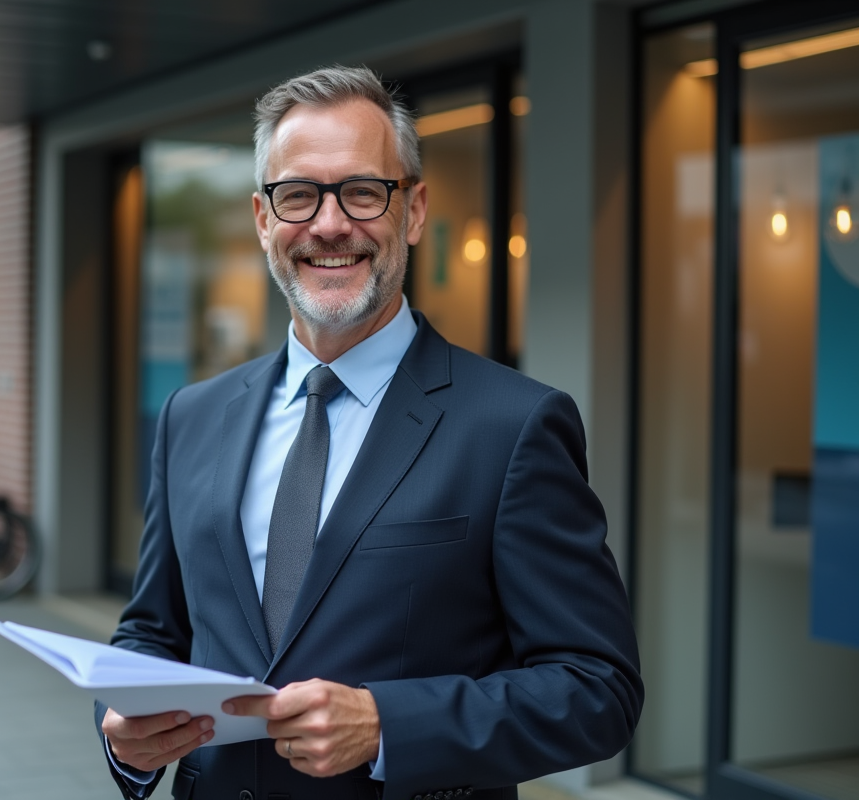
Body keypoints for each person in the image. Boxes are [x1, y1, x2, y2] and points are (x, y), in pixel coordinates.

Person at [96, 65, 643, 800]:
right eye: (298, 195)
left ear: (412, 211)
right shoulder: (191, 417)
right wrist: (124, 730)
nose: (329, 225)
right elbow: (151, 635)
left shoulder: (513, 426)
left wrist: (390, 723)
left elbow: (597, 689)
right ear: (264, 220)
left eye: (362, 191)